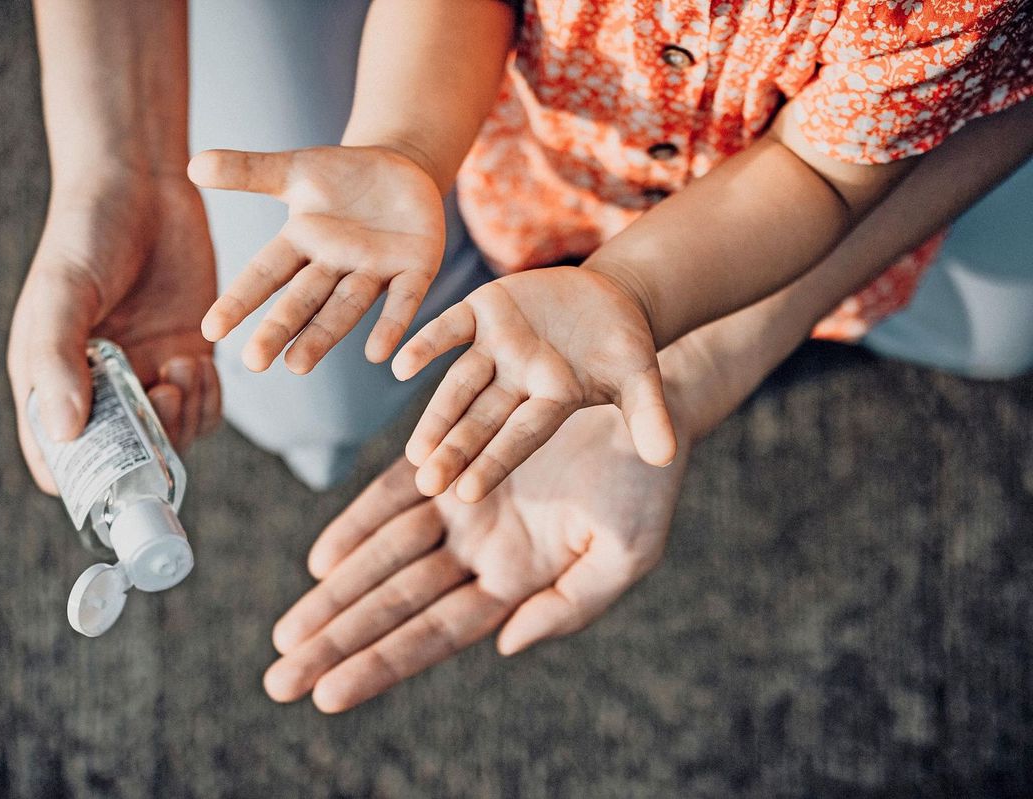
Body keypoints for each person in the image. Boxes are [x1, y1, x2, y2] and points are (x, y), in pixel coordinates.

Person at [264, 99, 1033, 714]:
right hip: (556, 155)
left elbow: (873, 154)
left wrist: (690, 357)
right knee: (300, 401)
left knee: (998, 334)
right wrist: (404, 141)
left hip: (836, 174)